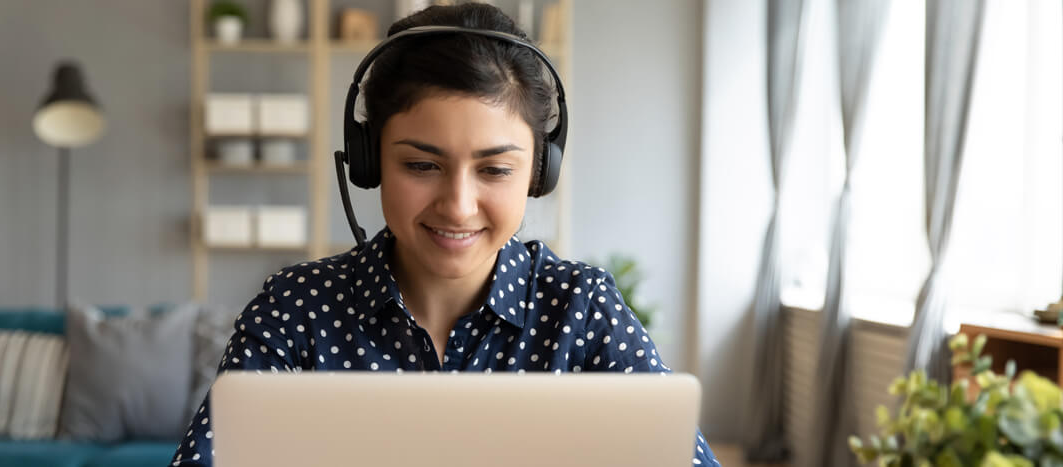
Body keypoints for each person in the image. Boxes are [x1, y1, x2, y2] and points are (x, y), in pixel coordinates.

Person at [171, 4, 719, 466]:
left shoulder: (582, 310)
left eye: (495, 170)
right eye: (421, 165)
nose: (458, 206)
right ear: (369, 161)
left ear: (539, 172)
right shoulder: (296, 310)